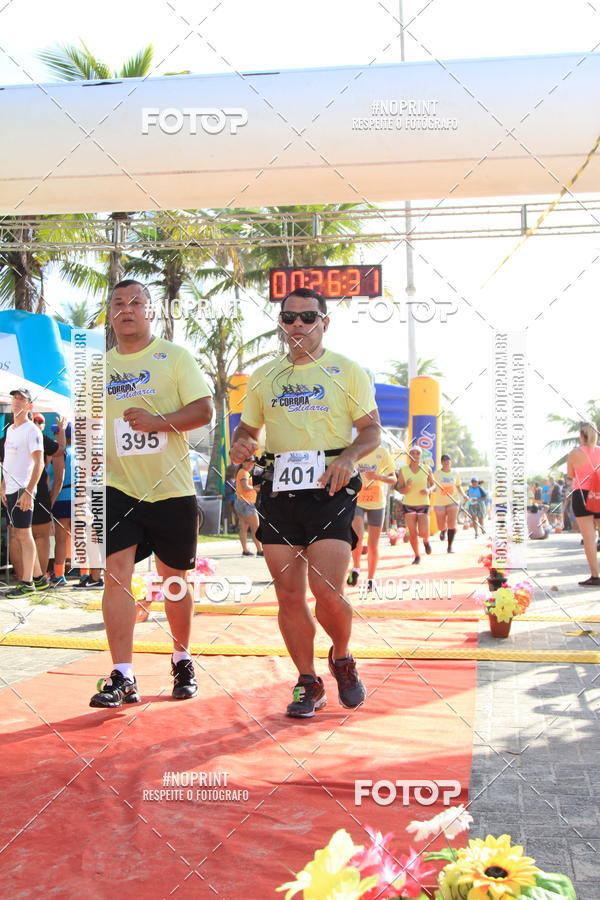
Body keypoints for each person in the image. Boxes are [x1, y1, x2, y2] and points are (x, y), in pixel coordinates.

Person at [230, 287, 380, 718]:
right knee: (288, 593)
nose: (297, 325)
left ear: (324, 322)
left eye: (307, 317)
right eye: (289, 318)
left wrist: (350, 458)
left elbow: (370, 431)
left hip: (330, 486)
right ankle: (308, 681)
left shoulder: (347, 371)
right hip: (277, 487)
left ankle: (343, 657)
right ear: (280, 323)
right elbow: (248, 432)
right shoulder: (263, 376)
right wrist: (242, 446)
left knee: (328, 590)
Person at [89, 280, 213, 708]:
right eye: (118, 304)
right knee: (116, 573)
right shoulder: (96, 367)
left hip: (171, 487)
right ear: (110, 314)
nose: (127, 310)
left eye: (136, 303)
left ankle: (182, 658)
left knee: (173, 581)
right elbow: (88, 429)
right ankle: (122, 673)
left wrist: (156, 420)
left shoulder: (174, 357)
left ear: (152, 312)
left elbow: (204, 411)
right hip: (116, 486)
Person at [0, 389, 44, 597]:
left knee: (24, 534)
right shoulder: (10, 429)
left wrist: (28, 491)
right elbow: (9, 460)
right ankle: (38, 577)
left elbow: (39, 463)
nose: (16, 402)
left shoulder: (32, 430)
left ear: (29, 406)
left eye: (21, 399)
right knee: (19, 533)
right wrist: (2, 484)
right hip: (10, 488)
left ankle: (27, 583)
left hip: (22, 489)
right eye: (14, 398)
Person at [347, 442, 396, 590]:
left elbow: (393, 479)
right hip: (357, 500)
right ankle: (355, 568)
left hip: (377, 503)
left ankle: (371, 579)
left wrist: (377, 477)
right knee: (358, 536)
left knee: (373, 545)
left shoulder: (383, 452)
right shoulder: (356, 450)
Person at [567, 422, 600, 586]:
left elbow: (571, 474)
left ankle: (595, 576)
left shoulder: (574, 453)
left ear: (581, 435)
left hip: (582, 495)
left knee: (589, 538)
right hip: (599, 493)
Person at [396, 447, 434, 564]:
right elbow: (400, 489)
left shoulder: (426, 468)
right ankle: (417, 555)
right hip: (408, 504)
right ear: (409, 455)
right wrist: (407, 488)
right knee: (412, 533)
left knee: (423, 532)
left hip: (423, 503)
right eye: (412, 453)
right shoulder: (403, 469)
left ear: (421, 456)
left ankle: (426, 541)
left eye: (418, 453)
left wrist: (429, 490)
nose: (415, 455)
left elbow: (433, 485)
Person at [47, 422, 73, 587]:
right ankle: (86, 575)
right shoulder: (81, 452)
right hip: (80, 497)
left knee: (61, 539)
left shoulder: (59, 453)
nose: (55, 435)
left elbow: (58, 478)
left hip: (62, 497)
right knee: (80, 538)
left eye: (57, 433)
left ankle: (59, 575)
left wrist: (50, 501)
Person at [433, 454, 467, 553]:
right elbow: (432, 485)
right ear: (441, 463)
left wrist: (464, 495)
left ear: (450, 462)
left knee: (452, 524)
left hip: (453, 501)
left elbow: (458, 486)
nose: (446, 461)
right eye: (444, 460)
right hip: (440, 502)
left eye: (448, 459)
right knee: (441, 526)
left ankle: (449, 546)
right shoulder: (437, 474)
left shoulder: (455, 473)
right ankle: (443, 530)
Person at [234, 459, 263, 556]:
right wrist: (256, 488)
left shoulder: (242, 472)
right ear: (243, 463)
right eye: (249, 463)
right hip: (247, 503)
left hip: (240, 502)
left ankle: (245, 550)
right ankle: (260, 550)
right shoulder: (244, 473)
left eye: (252, 463)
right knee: (256, 527)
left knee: (243, 527)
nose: (251, 465)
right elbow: (245, 487)